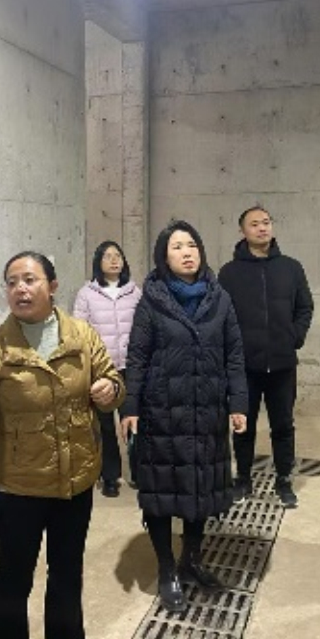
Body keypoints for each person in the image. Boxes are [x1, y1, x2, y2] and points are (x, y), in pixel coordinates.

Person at [0, 252, 124, 639]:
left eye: (29, 279)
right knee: (13, 579)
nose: (20, 289)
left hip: (75, 481)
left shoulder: (81, 335)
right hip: (18, 484)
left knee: (66, 577)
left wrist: (111, 389)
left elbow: (111, 378)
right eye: (12, 282)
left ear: (52, 286)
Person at [120, 221, 248, 613]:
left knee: (200, 489)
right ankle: (166, 569)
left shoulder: (220, 298)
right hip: (163, 412)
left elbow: (234, 354)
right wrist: (130, 406)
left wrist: (238, 403)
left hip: (207, 411)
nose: (186, 252)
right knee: (161, 492)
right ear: (164, 256)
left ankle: (191, 559)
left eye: (191, 244)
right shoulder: (152, 300)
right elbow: (137, 357)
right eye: (176, 247)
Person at [218, 205, 313, 508]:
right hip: (244, 366)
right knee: (242, 424)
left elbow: (305, 307)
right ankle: (243, 478)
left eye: (266, 222)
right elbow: (222, 315)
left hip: (283, 364)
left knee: (283, 425)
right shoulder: (229, 273)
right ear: (243, 231)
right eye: (255, 224)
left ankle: (284, 479)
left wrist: (294, 337)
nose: (262, 228)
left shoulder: (291, 268)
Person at [73, 240, 142, 497]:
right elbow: (80, 331)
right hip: (101, 369)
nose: (114, 260)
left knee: (134, 420)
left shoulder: (134, 292)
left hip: (131, 367)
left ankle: (139, 472)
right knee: (104, 426)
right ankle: (110, 476)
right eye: (107, 256)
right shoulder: (87, 294)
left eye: (118, 256)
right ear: (98, 263)